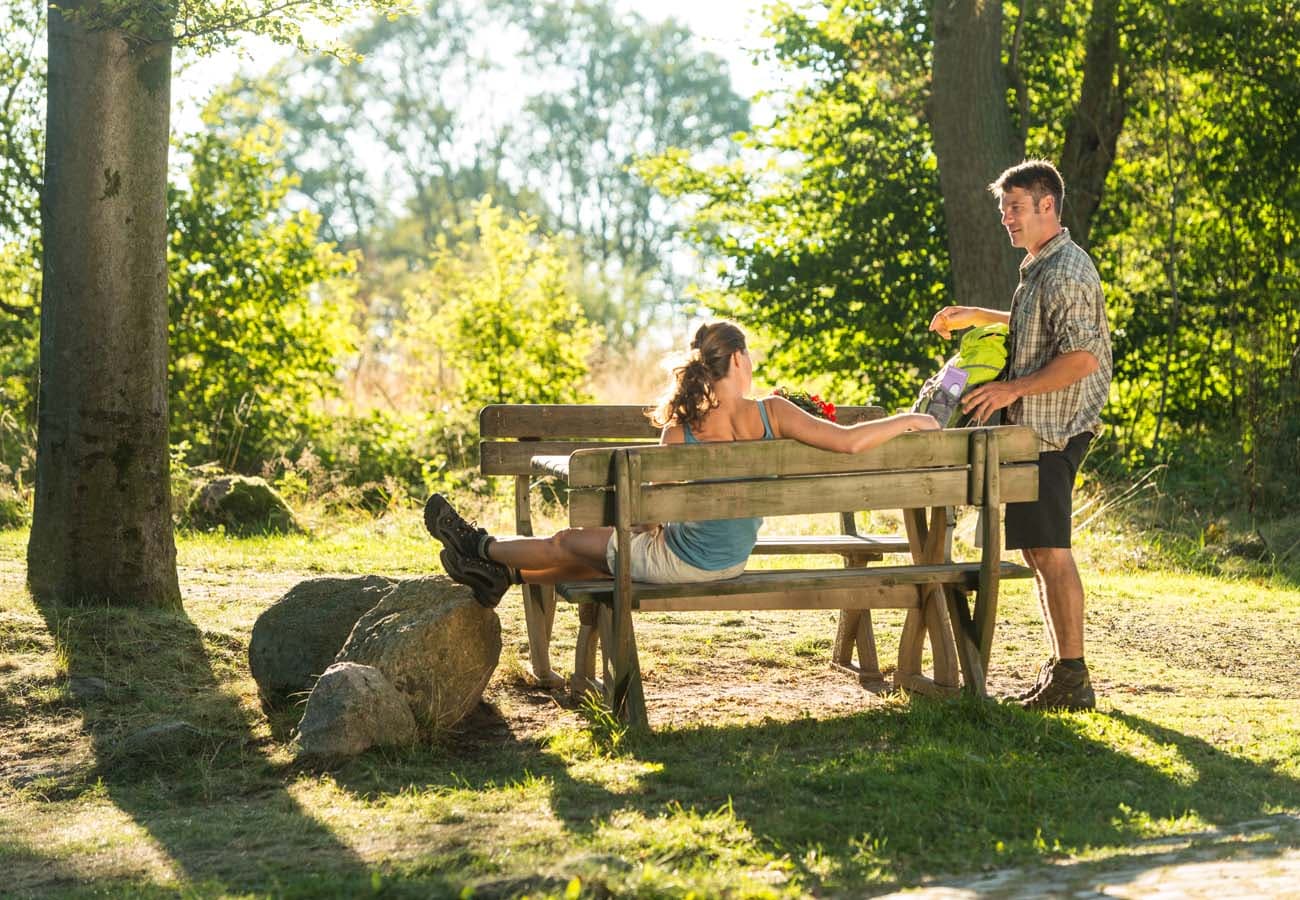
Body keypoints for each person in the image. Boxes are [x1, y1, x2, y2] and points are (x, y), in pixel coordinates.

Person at [425, 321, 940, 607]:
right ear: (738, 360)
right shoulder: (775, 414)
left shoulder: (681, 431)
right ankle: (500, 576)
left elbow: (647, 516)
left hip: (677, 562)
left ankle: (481, 546)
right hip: (732, 560)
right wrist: (909, 420)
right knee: (603, 554)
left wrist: (654, 527)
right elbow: (849, 442)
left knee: (569, 540)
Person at [929, 159, 1112, 711]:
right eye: (1002, 209)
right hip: (1033, 430)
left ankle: (1074, 678)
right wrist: (977, 315)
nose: (1005, 218)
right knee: (1036, 549)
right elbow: (1035, 326)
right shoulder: (1040, 266)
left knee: (1051, 551)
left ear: (1046, 205)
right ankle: (1064, 671)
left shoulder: (1068, 272)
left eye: (1014, 208)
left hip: (1054, 430)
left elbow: (1081, 357)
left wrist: (1012, 391)